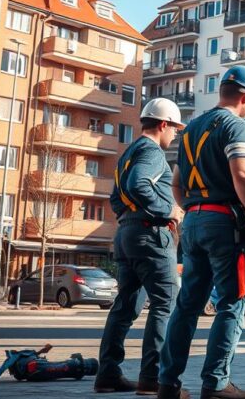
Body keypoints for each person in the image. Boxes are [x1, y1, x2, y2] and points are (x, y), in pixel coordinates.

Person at [158, 65, 245, 399]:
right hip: (224, 225)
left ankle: (167, 383)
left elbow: (177, 183)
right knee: (233, 301)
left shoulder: (191, 129)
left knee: (187, 305)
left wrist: (193, 209)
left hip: (193, 222)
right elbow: (242, 174)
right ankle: (216, 384)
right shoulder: (236, 125)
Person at [96, 97, 186, 394]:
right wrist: (169, 210)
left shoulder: (128, 153)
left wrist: (132, 216)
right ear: (163, 124)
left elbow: (116, 199)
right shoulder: (152, 152)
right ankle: (153, 378)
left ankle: (107, 375)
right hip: (150, 236)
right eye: (174, 128)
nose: (175, 135)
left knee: (125, 306)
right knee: (165, 304)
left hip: (127, 235)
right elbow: (138, 185)